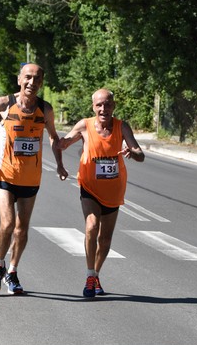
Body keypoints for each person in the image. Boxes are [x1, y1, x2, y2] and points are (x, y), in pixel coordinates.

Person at [0, 63, 68, 295]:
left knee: (22, 229)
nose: (32, 83)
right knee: (8, 223)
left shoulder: (45, 109)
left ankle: (12, 272)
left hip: (31, 177)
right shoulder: (5, 103)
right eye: (28, 77)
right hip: (4, 173)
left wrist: (60, 165)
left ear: (41, 83)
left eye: (37, 79)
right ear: (19, 80)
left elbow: (54, 137)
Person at [58, 88, 145, 298]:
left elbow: (140, 154)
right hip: (89, 186)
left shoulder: (121, 126)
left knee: (105, 239)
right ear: (93, 107)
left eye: (107, 104)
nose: (103, 108)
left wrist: (131, 153)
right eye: (99, 105)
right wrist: (60, 141)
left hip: (113, 189)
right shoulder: (85, 125)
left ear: (113, 106)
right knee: (91, 226)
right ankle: (89, 275)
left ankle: (96, 274)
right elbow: (64, 142)